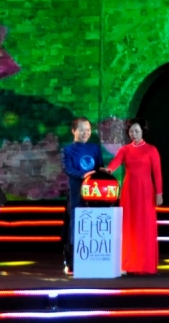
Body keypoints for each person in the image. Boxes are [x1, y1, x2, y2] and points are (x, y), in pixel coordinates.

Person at [102, 118, 163, 275]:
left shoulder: (151, 150)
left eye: (137, 131)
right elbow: (115, 163)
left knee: (146, 225)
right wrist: (107, 170)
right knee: (128, 226)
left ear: (142, 131)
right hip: (129, 191)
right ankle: (128, 263)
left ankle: (146, 265)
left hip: (146, 191)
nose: (134, 134)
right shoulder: (125, 150)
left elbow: (157, 173)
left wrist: (159, 193)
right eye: (131, 131)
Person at [61, 116, 103, 276]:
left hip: (95, 193)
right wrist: (84, 175)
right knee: (75, 225)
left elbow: (100, 169)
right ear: (74, 131)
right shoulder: (67, 150)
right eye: (82, 130)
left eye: (88, 130)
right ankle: (72, 262)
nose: (85, 133)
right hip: (76, 191)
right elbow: (68, 169)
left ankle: (94, 258)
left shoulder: (95, 149)